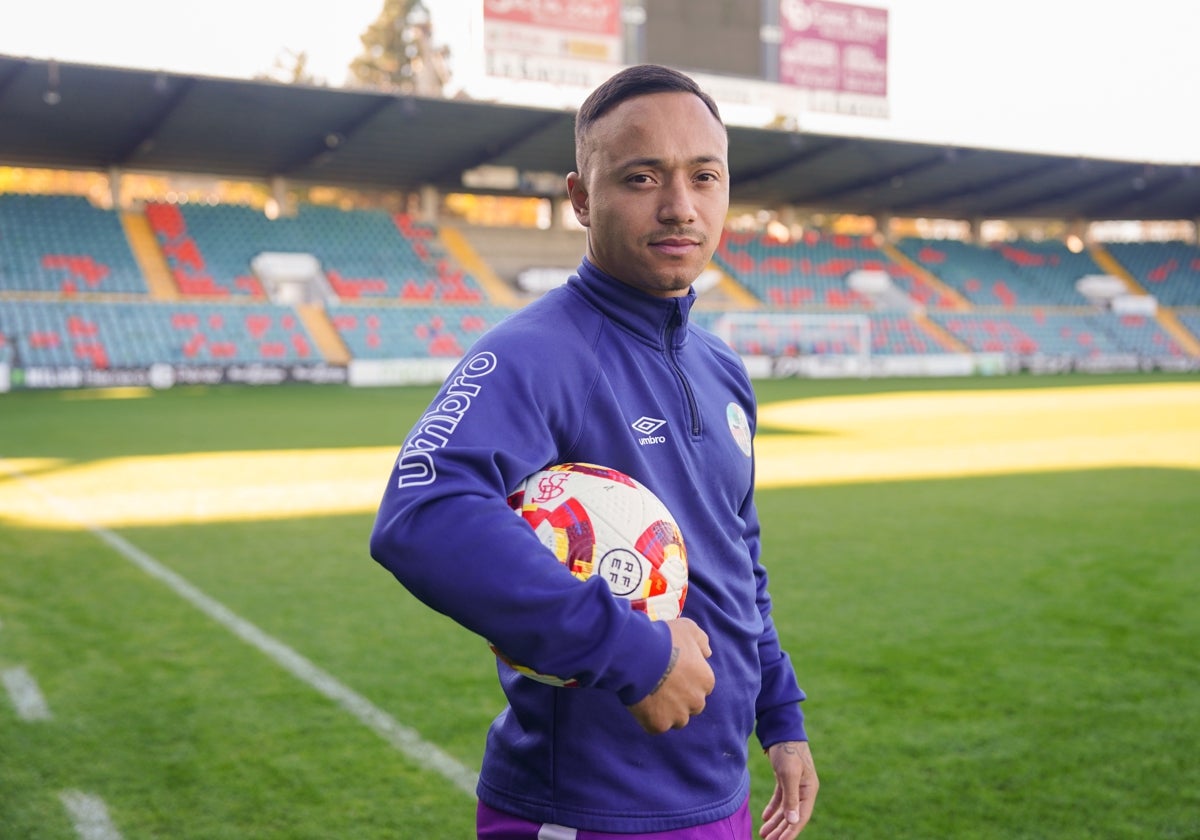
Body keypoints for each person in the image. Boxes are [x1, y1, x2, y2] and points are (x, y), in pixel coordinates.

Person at [370, 63, 817, 839]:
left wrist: (779, 710)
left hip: (718, 794)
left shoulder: (720, 366)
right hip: (590, 809)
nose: (680, 207)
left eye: (704, 176)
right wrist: (633, 654)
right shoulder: (536, 353)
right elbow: (423, 514)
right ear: (581, 197)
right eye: (642, 177)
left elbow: (734, 551)